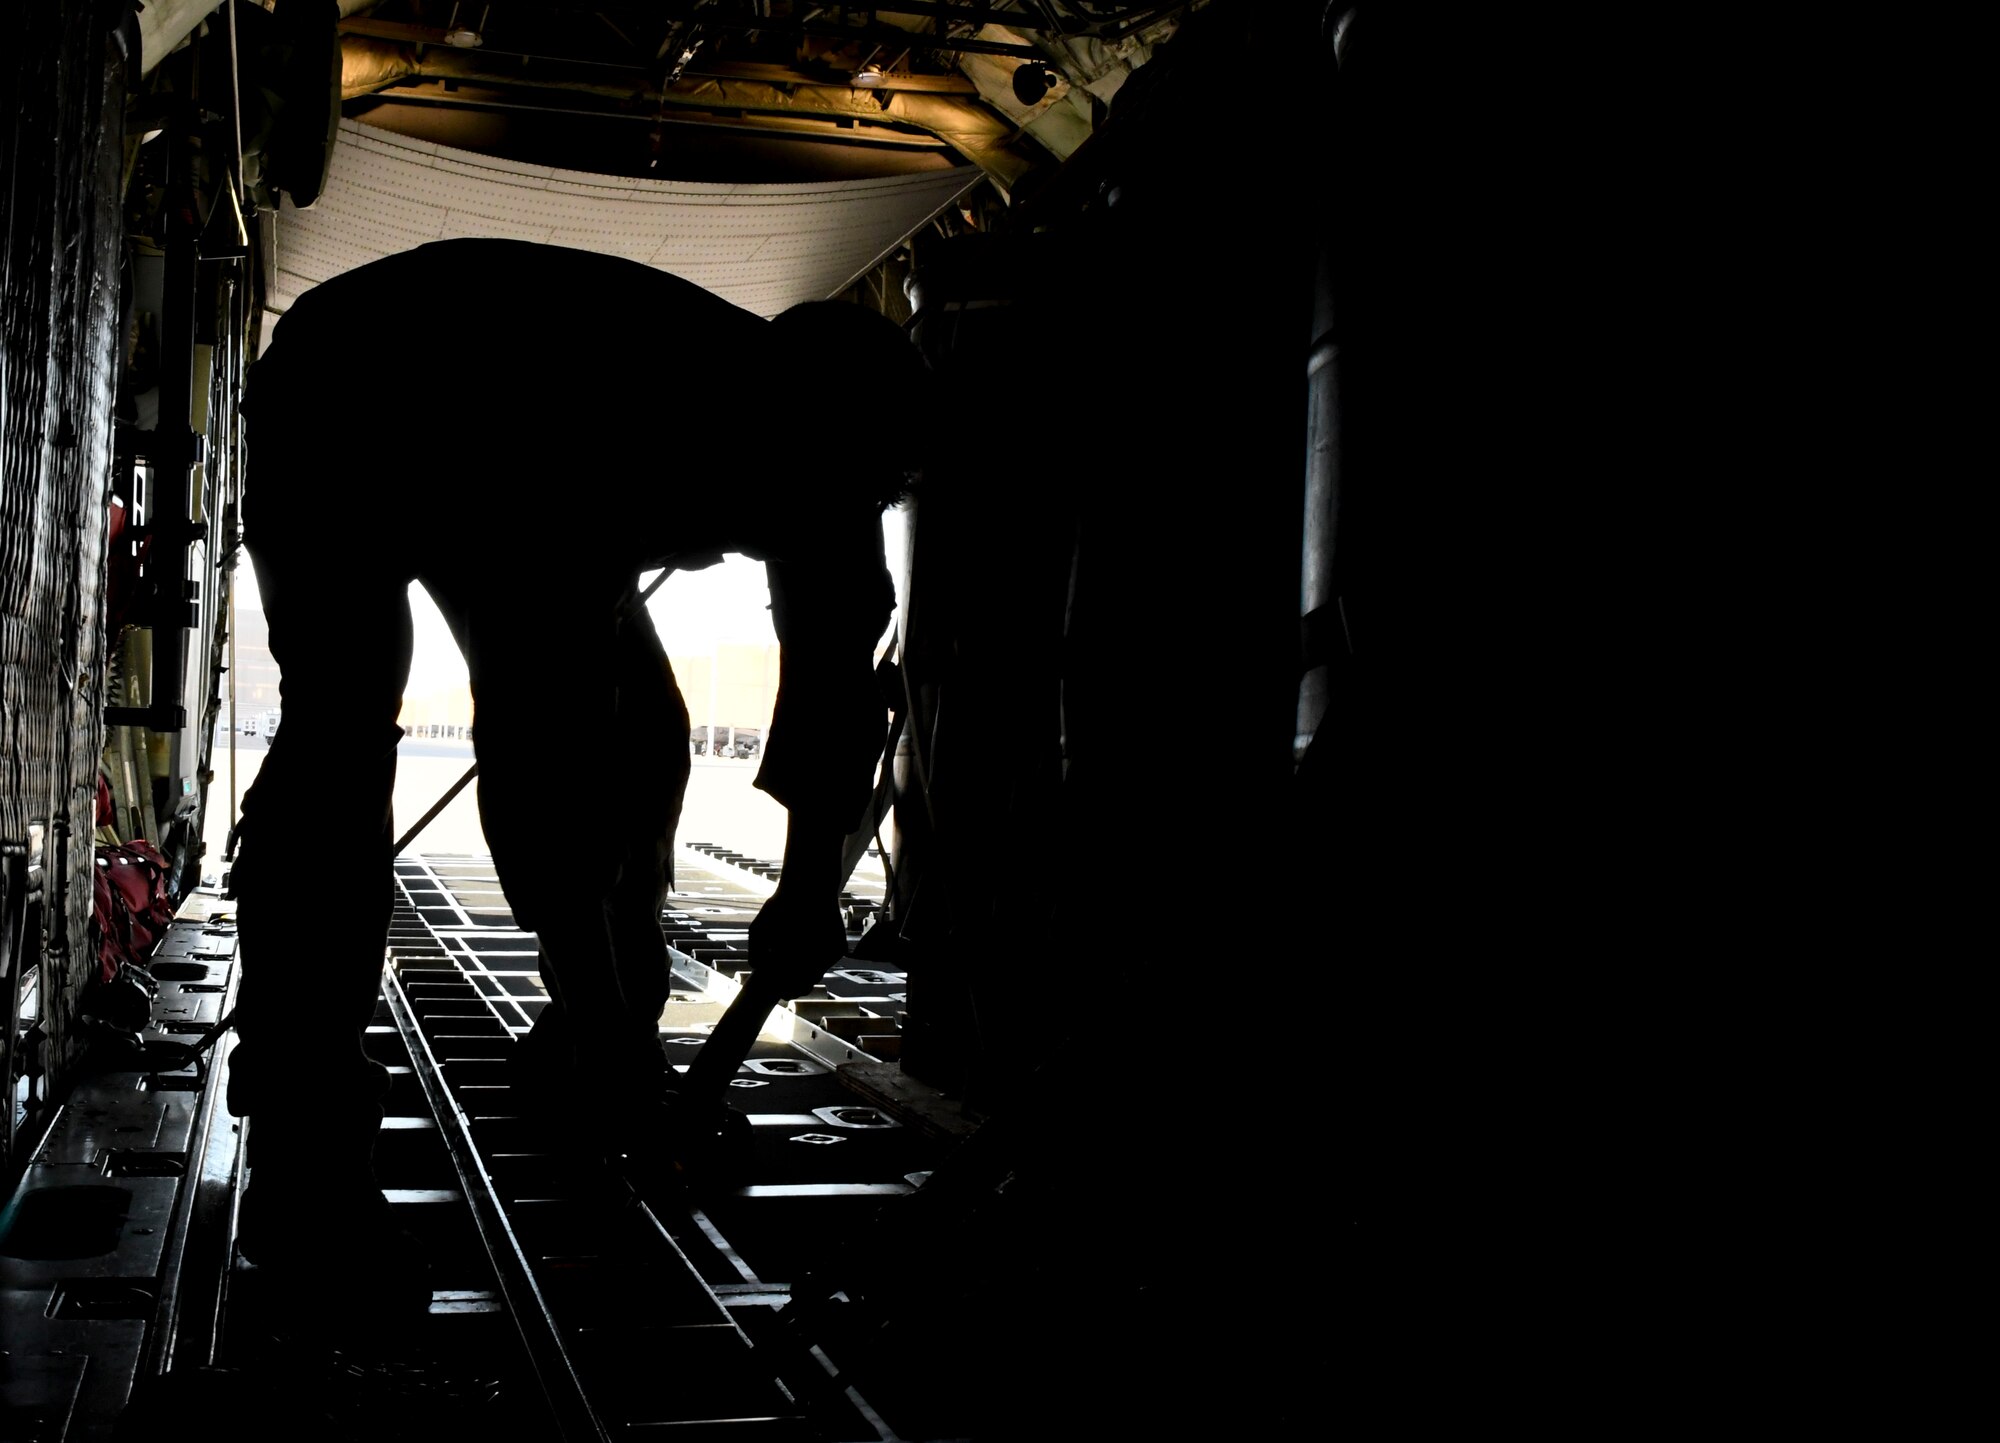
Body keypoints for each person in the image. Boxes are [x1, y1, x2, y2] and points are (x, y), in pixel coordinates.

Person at [225, 238, 926, 1328]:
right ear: (777, 439)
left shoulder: (830, 463)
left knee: (649, 735)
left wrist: (804, 893)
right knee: (341, 737)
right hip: (363, 395)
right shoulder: (630, 430)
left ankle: (602, 1042)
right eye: (842, 493)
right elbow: (540, 743)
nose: (851, 518)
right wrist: (588, 973)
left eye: (876, 500)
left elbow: (837, 679)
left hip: (536, 450)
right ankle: (311, 1169)